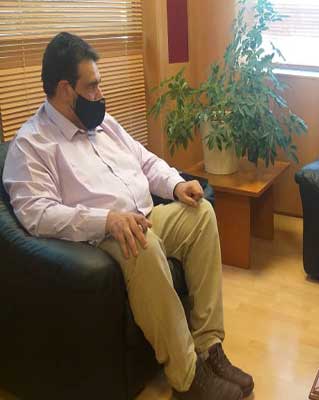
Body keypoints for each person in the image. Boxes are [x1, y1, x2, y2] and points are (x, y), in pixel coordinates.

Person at [2, 32, 252, 400]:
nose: (100, 94)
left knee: (201, 215)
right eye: (92, 86)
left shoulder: (104, 124)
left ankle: (209, 348)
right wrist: (106, 219)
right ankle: (187, 378)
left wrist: (175, 185)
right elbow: (37, 214)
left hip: (145, 215)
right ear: (65, 89)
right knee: (140, 242)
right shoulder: (32, 144)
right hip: (99, 238)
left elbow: (146, 161)